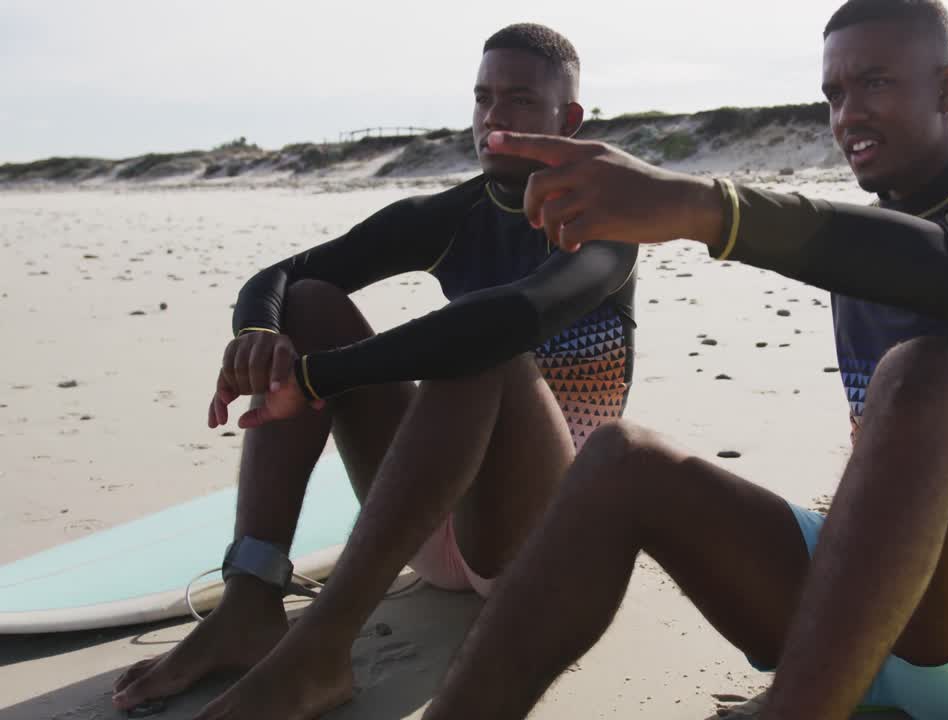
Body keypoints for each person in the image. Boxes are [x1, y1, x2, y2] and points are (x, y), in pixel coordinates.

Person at [423, 2, 948, 718]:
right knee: (622, 458)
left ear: (946, 87)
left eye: (874, 84)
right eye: (833, 95)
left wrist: (704, 208)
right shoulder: (865, 243)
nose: (847, 116)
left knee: (919, 373)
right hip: (859, 633)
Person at [111, 23, 638, 720]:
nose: (493, 117)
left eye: (518, 99)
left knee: (481, 342)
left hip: (541, 542)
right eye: (482, 98)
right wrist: (259, 332)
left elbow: (510, 320)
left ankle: (323, 647)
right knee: (308, 304)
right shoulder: (453, 215)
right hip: (433, 518)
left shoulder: (607, 217)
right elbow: (286, 274)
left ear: (567, 119)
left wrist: (320, 378)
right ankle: (249, 601)